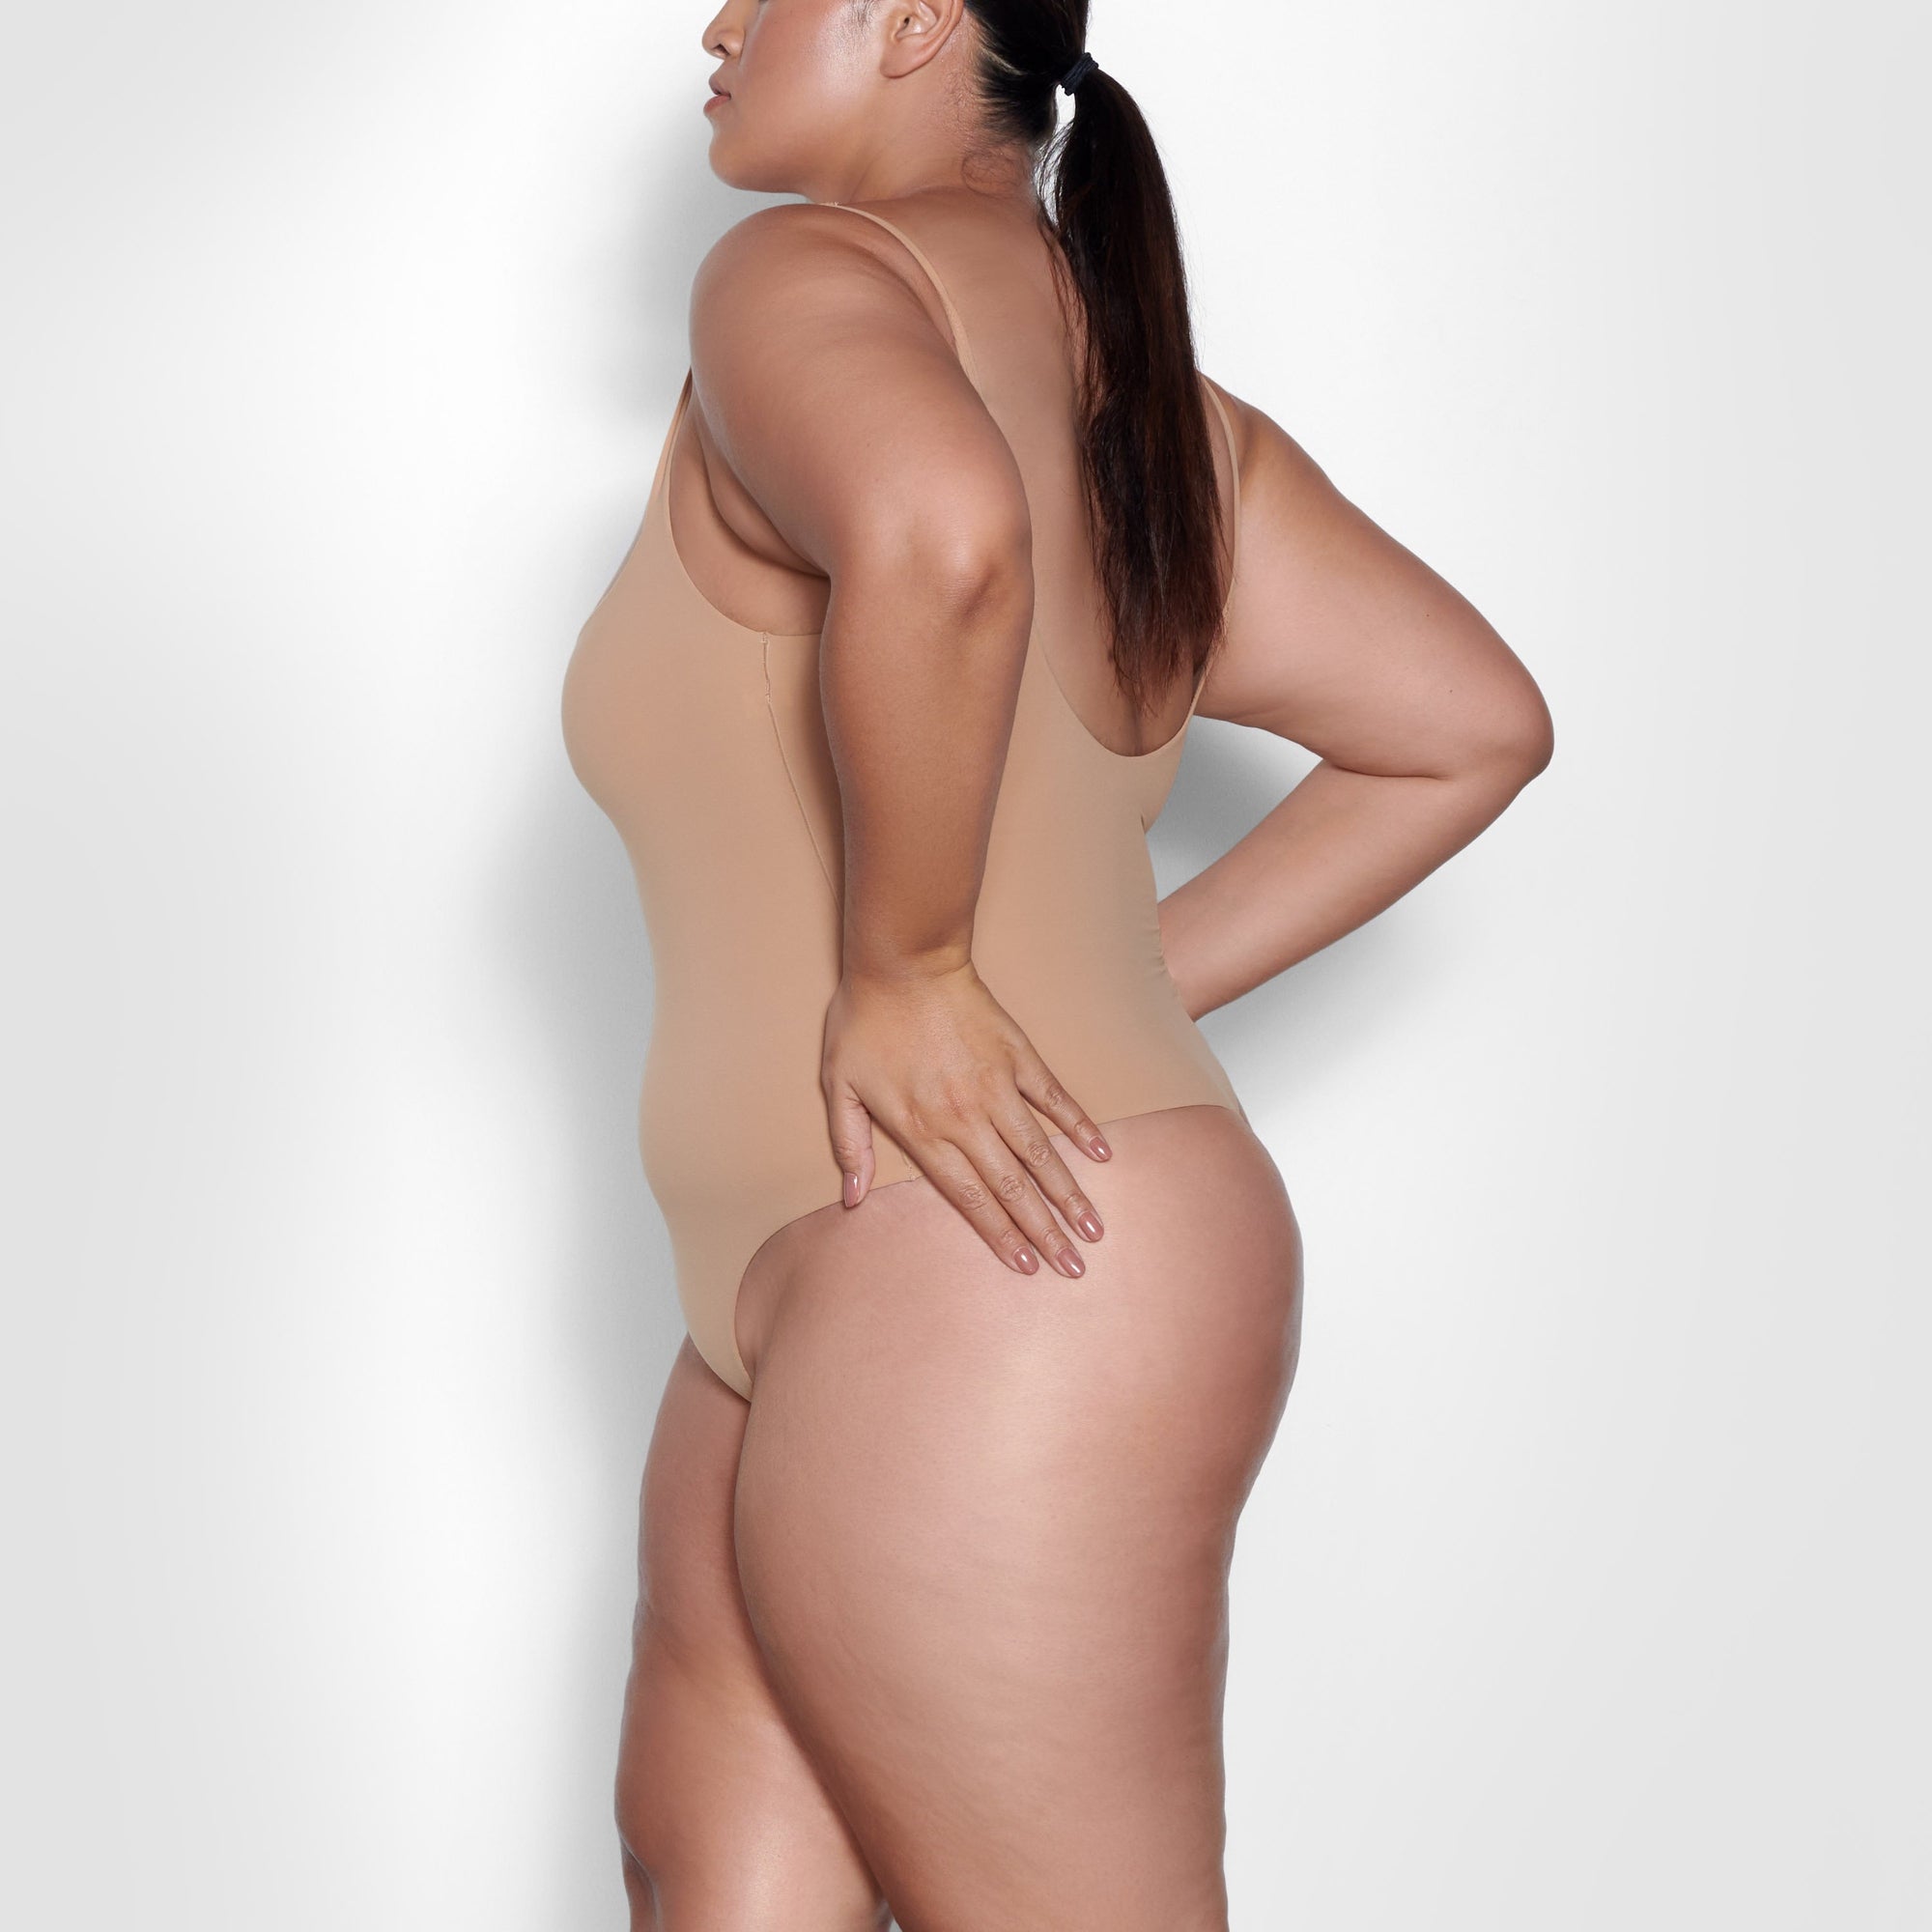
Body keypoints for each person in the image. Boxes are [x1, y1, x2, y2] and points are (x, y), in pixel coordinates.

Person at [560, 1, 1553, 1923]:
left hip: (1002, 1260)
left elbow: (945, 533)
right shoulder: (1150, 415)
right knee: (711, 1883)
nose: (718, 23)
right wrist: (1092, 993)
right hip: (826, 1272)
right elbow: (1465, 728)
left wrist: (921, 971)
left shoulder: (804, 276)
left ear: (919, 20)